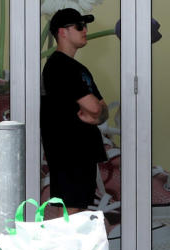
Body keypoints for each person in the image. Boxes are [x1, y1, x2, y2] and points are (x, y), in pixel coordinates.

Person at [41, 8, 109, 215]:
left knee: (78, 209)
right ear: (62, 32)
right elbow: (95, 107)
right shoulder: (59, 66)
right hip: (68, 150)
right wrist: (96, 112)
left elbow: (102, 109)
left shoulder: (78, 68)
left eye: (85, 25)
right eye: (79, 26)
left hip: (82, 150)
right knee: (72, 212)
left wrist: (96, 115)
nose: (85, 30)